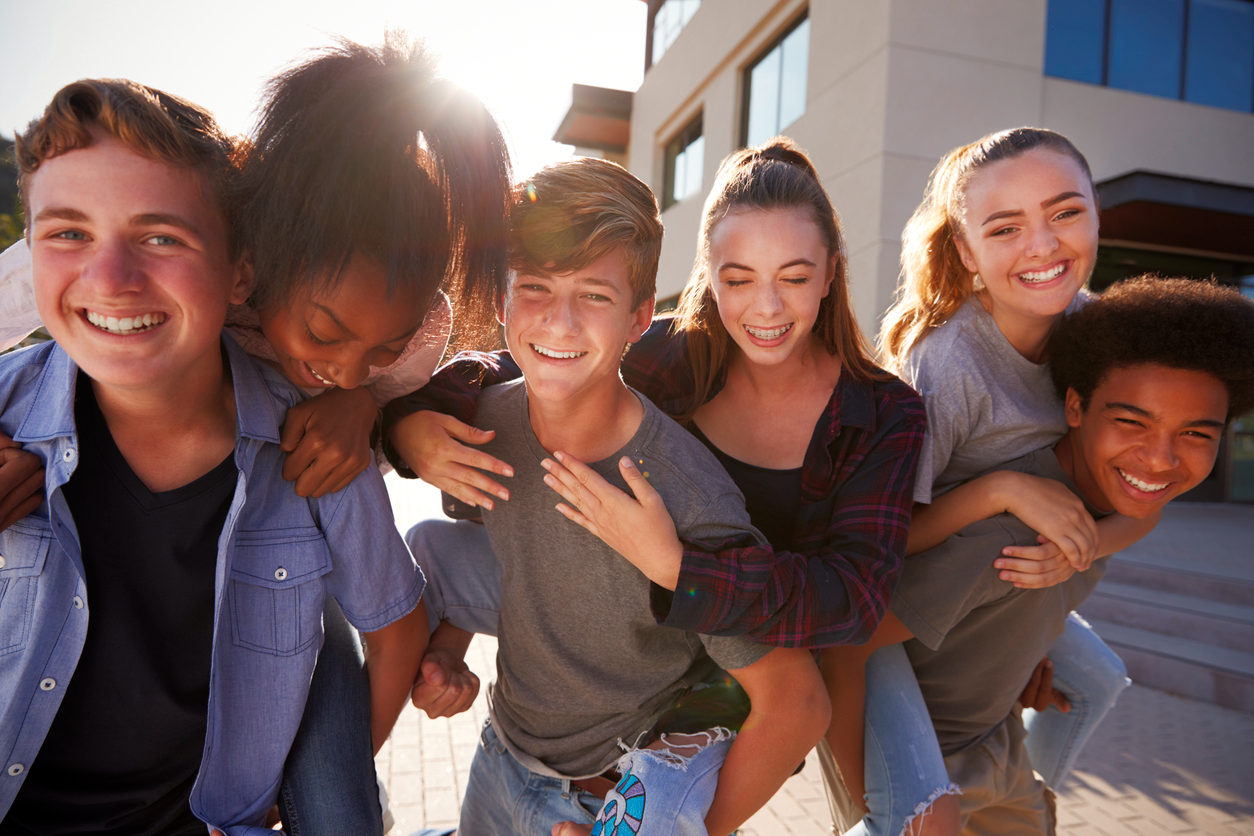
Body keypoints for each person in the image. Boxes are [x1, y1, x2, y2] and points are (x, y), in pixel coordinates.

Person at [0, 78, 428, 835]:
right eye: (68, 234)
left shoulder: (314, 449)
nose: (111, 280)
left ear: (242, 272)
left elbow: (395, 626)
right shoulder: (10, 410)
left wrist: (305, 793)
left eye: (161, 237)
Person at [402, 157, 830, 836]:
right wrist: (449, 650)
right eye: (536, 286)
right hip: (498, 758)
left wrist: (663, 829)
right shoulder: (487, 424)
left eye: (595, 296)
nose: (560, 322)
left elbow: (797, 704)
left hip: (599, 803)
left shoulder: (686, 500)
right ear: (505, 299)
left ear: (638, 320)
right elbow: (514, 562)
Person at [0, 32, 511, 499]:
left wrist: (364, 410)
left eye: (386, 348)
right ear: (251, 262)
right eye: (324, 332)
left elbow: (367, 423)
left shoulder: (420, 336)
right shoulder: (182, 244)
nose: (352, 373)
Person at [830, 276, 1254, 833]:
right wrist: (865, 808)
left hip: (1001, 745)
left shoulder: (1116, 505)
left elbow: (1145, 517)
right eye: (1132, 422)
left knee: (1098, 680)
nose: (1159, 460)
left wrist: (1024, 641)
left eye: (1196, 434)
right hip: (933, 758)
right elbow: (842, 645)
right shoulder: (1011, 539)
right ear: (1074, 406)